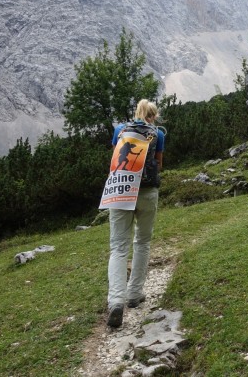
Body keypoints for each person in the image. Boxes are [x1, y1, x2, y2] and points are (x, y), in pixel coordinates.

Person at [106, 99, 165, 328]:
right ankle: (134, 294)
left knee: (119, 247)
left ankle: (116, 302)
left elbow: (115, 160)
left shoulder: (120, 130)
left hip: (121, 192)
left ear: (136, 113)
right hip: (147, 192)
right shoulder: (158, 134)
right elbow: (159, 164)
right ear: (153, 115)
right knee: (142, 241)